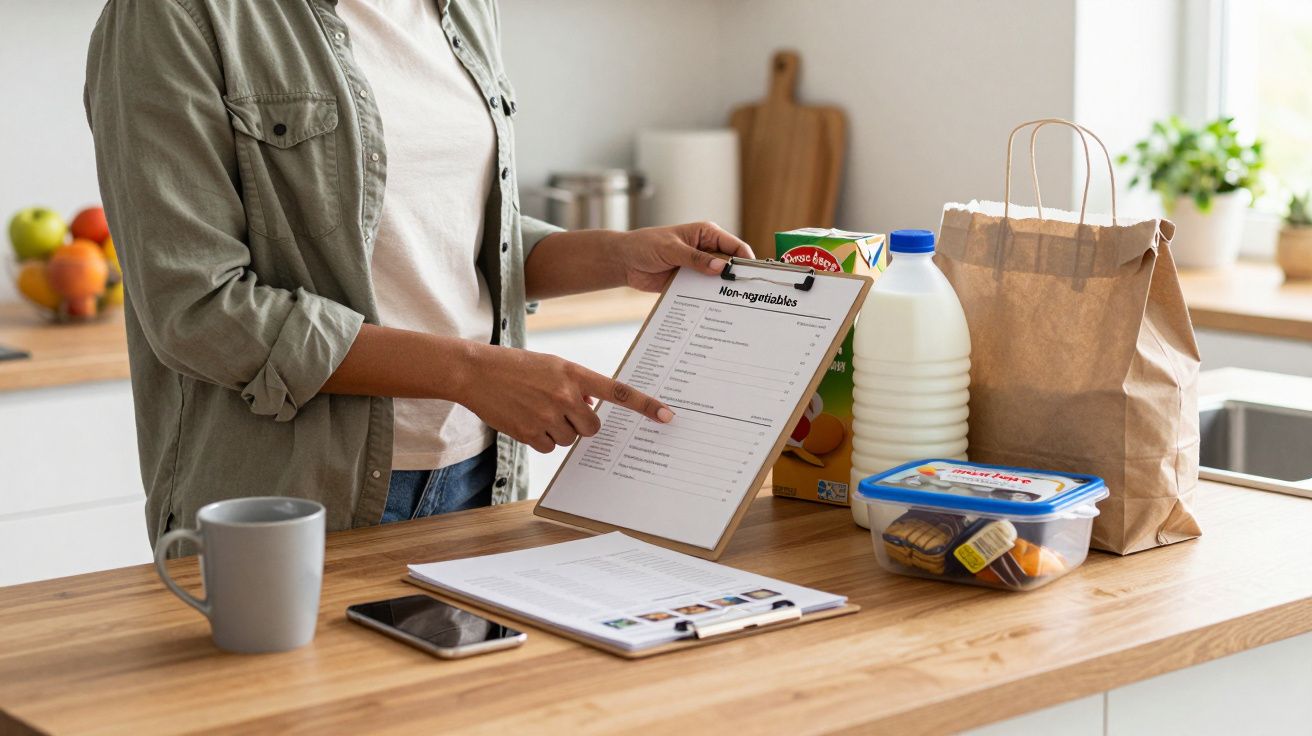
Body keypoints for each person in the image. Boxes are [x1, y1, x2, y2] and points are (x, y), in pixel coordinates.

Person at [83, 0, 751, 544]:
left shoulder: (463, 10)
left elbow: (450, 238)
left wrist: (615, 255)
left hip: (477, 476)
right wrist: (469, 373)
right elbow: (198, 311)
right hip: (293, 500)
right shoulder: (173, 15)